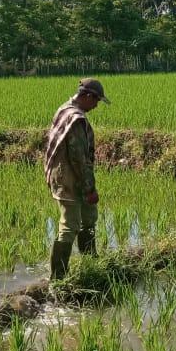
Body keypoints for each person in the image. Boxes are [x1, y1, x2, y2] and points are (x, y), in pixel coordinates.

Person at [44, 78, 110, 279]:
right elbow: (78, 158)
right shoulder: (74, 118)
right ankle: (59, 278)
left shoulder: (65, 109)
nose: (97, 105)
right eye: (96, 100)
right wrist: (89, 188)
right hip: (68, 178)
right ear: (87, 96)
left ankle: (90, 262)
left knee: (89, 218)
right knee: (70, 225)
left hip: (73, 175)